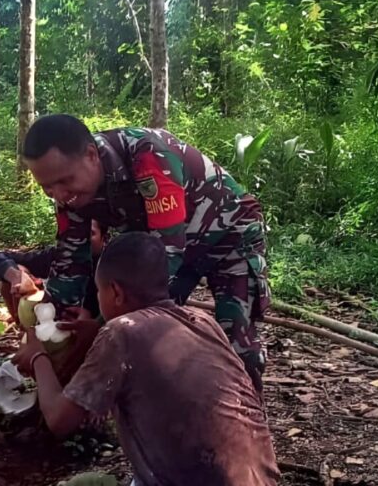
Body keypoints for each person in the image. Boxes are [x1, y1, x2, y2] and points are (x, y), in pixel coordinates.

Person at [20, 115, 271, 391]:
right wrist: (50, 322)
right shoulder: (69, 194)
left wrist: (102, 324)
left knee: (235, 340)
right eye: (47, 188)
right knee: (146, 334)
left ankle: (245, 418)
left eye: (65, 181)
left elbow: (163, 257)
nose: (58, 195)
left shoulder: (149, 156)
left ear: (91, 155)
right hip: (171, 248)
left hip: (229, 236)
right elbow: (69, 262)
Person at [13, 232, 280, 486]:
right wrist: (95, 332)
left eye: (98, 290)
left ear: (116, 292)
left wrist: (38, 356)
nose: (98, 297)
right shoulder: (202, 321)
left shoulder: (121, 331)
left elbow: (59, 420)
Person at [0, 220, 106, 324]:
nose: (82, 240)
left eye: (90, 233)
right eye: (76, 234)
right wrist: (17, 277)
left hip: (95, 329)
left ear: (104, 238)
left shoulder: (111, 263)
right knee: (11, 273)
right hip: (52, 322)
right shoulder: (59, 256)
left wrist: (95, 323)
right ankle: (22, 324)